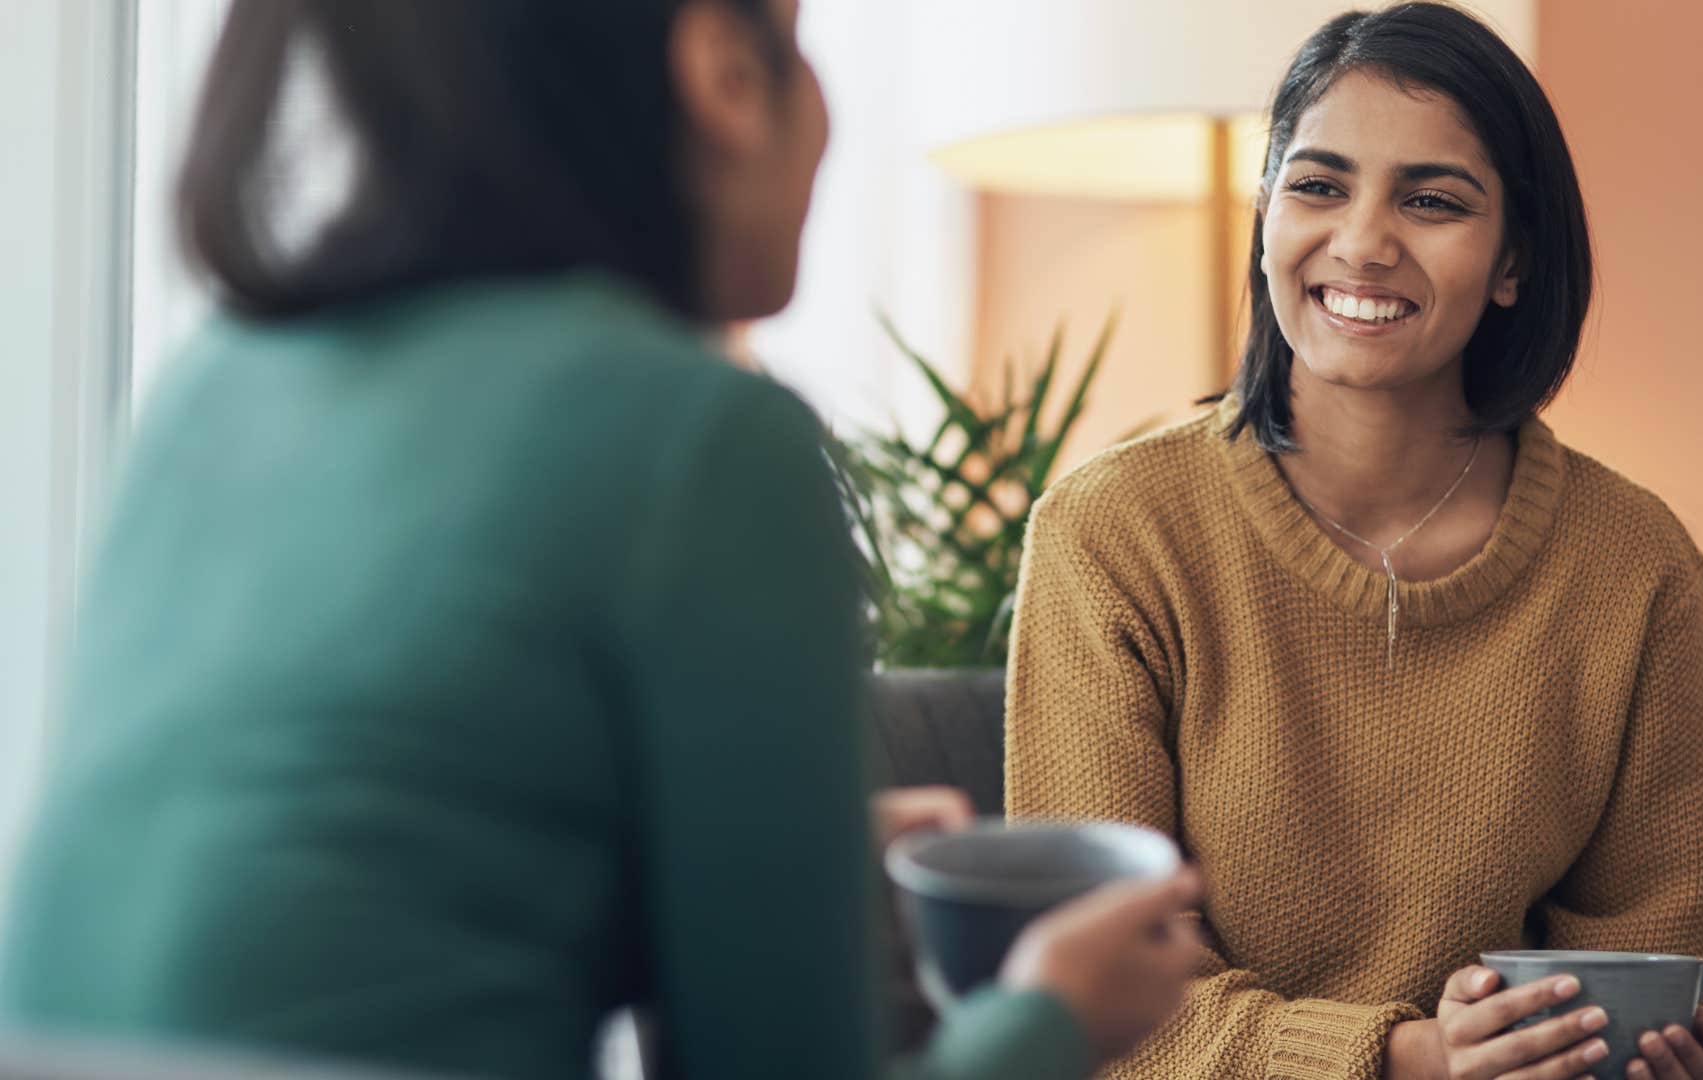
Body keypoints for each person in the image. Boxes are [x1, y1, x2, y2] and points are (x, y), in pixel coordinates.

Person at [0, 2, 1205, 1078]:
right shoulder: (704, 438)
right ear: (724, 73)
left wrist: (772, 863)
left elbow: (341, 894)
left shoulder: (214, 381)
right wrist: (1052, 1016)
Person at [1004, 5, 1703, 1080]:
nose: (1361, 241)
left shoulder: (1638, 569)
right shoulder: (1112, 535)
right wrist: (1405, 1059)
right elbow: (1098, 1008)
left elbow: (1652, 961)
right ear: (1263, 213)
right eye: (1317, 185)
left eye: (1434, 201)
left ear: (1513, 260)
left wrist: (1632, 1053)